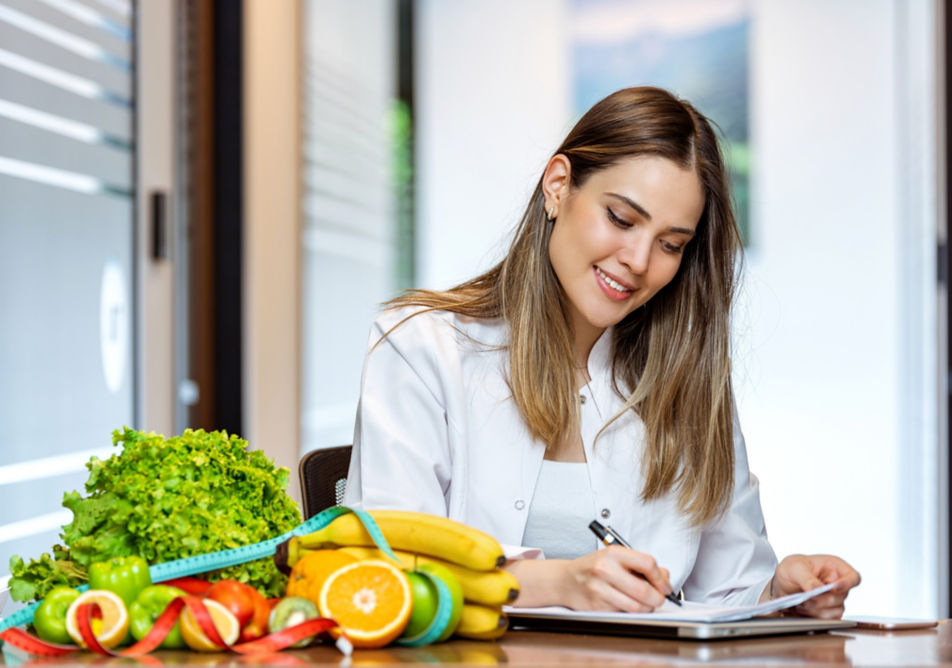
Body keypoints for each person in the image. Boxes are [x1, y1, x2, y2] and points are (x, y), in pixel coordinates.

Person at [343, 86, 860, 616]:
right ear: (558, 186)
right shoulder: (420, 346)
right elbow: (387, 566)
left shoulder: (686, 376)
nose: (638, 260)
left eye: (671, 244)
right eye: (621, 218)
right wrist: (556, 584)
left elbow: (728, 589)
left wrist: (780, 594)